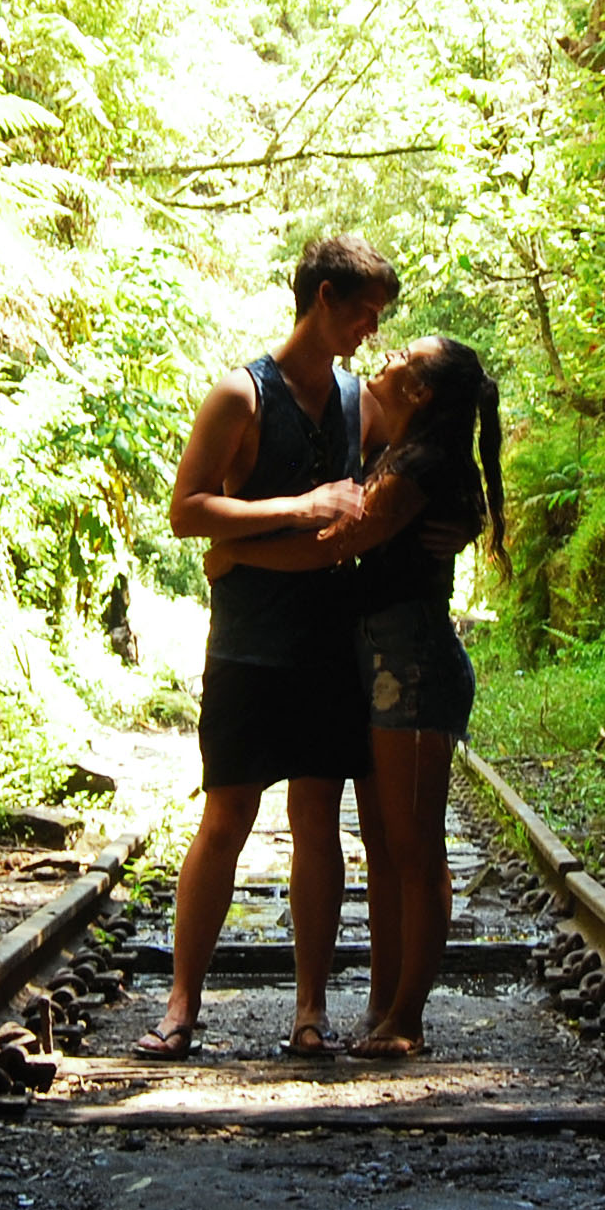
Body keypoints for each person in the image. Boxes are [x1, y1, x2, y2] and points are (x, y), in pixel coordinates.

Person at [133, 237, 400, 1058]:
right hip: (249, 644)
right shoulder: (239, 395)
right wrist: (297, 508)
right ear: (322, 297)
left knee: (319, 818)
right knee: (227, 818)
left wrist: (254, 543)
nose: (369, 328)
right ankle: (181, 1005)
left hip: (329, 644)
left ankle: (310, 1011)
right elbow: (186, 512)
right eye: (361, 311)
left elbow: (374, 510)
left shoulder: (362, 403)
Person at [206, 334, 503, 1058]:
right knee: (388, 845)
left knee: (413, 848)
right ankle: (384, 1008)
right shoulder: (397, 445)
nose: (389, 348)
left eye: (407, 350)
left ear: (422, 390)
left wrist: (237, 551)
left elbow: (336, 541)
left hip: (413, 666)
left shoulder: (421, 464)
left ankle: (405, 1018)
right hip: (383, 666)